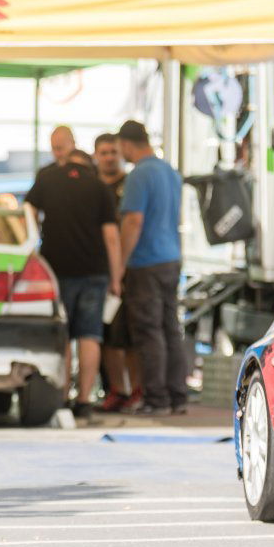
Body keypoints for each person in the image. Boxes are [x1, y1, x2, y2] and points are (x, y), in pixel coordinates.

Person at [24, 152, 123, 420]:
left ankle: (63, 396)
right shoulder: (99, 187)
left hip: (57, 270)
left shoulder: (48, 179)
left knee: (64, 336)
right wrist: (116, 278)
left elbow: (28, 210)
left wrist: (35, 243)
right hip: (95, 271)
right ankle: (84, 401)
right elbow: (111, 236)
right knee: (90, 336)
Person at [117, 120, 188, 416]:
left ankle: (156, 399)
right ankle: (177, 396)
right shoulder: (170, 171)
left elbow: (134, 221)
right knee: (171, 327)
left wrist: (120, 264)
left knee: (148, 330)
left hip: (145, 261)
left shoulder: (139, 175)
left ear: (126, 144)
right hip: (171, 257)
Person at [92, 134, 144, 412]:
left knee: (132, 336)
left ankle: (137, 390)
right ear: (95, 155)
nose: (109, 157)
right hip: (98, 271)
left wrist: (120, 267)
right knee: (108, 336)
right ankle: (117, 390)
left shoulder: (130, 184)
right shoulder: (91, 186)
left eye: (113, 151)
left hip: (130, 270)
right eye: (104, 152)